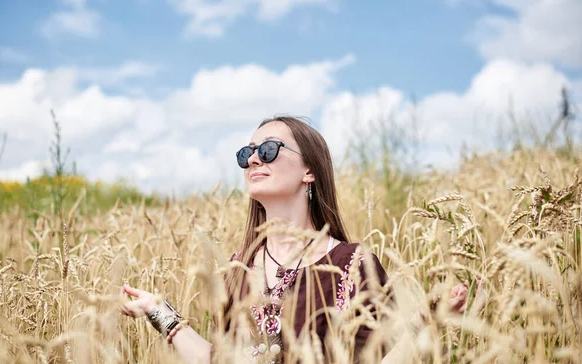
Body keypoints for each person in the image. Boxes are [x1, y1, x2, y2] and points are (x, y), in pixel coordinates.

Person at [119, 115, 471, 363]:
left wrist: (428, 325)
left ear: (309, 170)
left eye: (270, 149)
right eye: (246, 153)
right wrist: (157, 310)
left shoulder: (350, 264)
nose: (253, 158)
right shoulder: (238, 269)